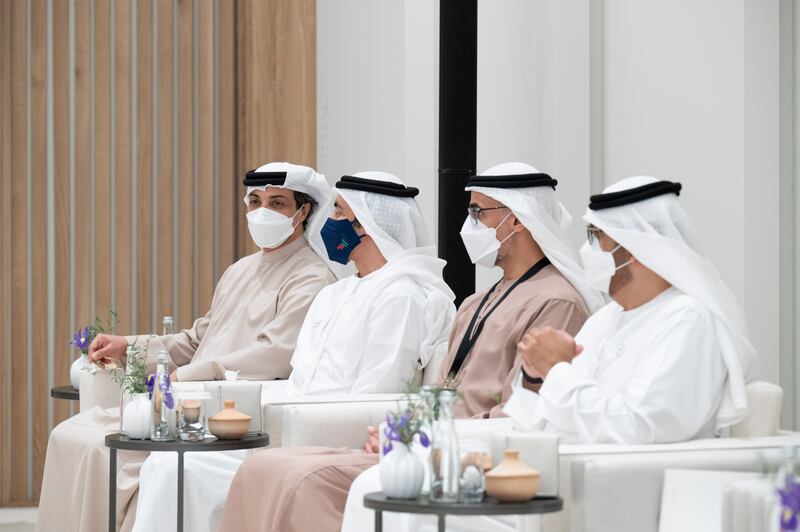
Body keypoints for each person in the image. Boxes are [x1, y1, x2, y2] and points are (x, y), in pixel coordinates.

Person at [340, 175, 759, 532]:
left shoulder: (688, 321)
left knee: (411, 514)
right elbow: (530, 414)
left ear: (633, 249)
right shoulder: (607, 320)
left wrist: (556, 370)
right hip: (545, 477)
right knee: (374, 488)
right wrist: (420, 441)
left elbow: (639, 427)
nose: (586, 252)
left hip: (599, 490)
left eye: (597, 239)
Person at [219, 162, 601, 532]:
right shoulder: (477, 300)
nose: (467, 226)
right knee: (263, 468)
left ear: (517, 219)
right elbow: (443, 394)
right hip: (432, 443)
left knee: (303, 480)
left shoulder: (557, 302)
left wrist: (418, 439)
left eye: (478, 213)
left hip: (471, 457)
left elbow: (526, 412)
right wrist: (408, 431)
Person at [132, 171, 457, 531]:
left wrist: (295, 423)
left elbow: (377, 394)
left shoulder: (401, 295)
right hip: (290, 432)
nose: (330, 225)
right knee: (169, 464)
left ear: (366, 225)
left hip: (331, 440)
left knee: (181, 470)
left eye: (339, 214)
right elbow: (297, 378)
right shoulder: (336, 293)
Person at [36, 162, 337, 532]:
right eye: (255, 201)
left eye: (277, 203)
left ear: (303, 212)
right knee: (69, 435)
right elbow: (197, 340)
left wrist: (189, 376)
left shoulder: (311, 276)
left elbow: (275, 353)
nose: (263, 212)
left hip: (221, 411)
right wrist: (127, 347)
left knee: (102, 450)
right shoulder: (239, 270)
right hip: (185, 395)